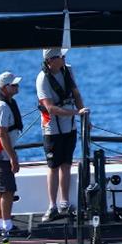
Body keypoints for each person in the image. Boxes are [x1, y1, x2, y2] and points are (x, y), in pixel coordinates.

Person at [36, 48, 89, 222]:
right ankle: (52, 205)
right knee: (53, 166)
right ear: (51, 60)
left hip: (69, 127)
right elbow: (50, 108)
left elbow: (76, 93)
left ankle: (64, 202)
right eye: (61, 56)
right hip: (53, 129)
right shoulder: (42, 79)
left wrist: (84, 117)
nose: (64, 58)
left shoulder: (68, 69)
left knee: (66, 164)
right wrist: (76, 113)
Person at [0, 72, 28, 237]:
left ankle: (1, 224)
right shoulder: (2, 106)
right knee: (7, 190)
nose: (17, 87)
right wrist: (13, 157)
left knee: (1, 189)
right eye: (13, 85)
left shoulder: (7, 103)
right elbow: (2, 134)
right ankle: (6, 225)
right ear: (4, 87)